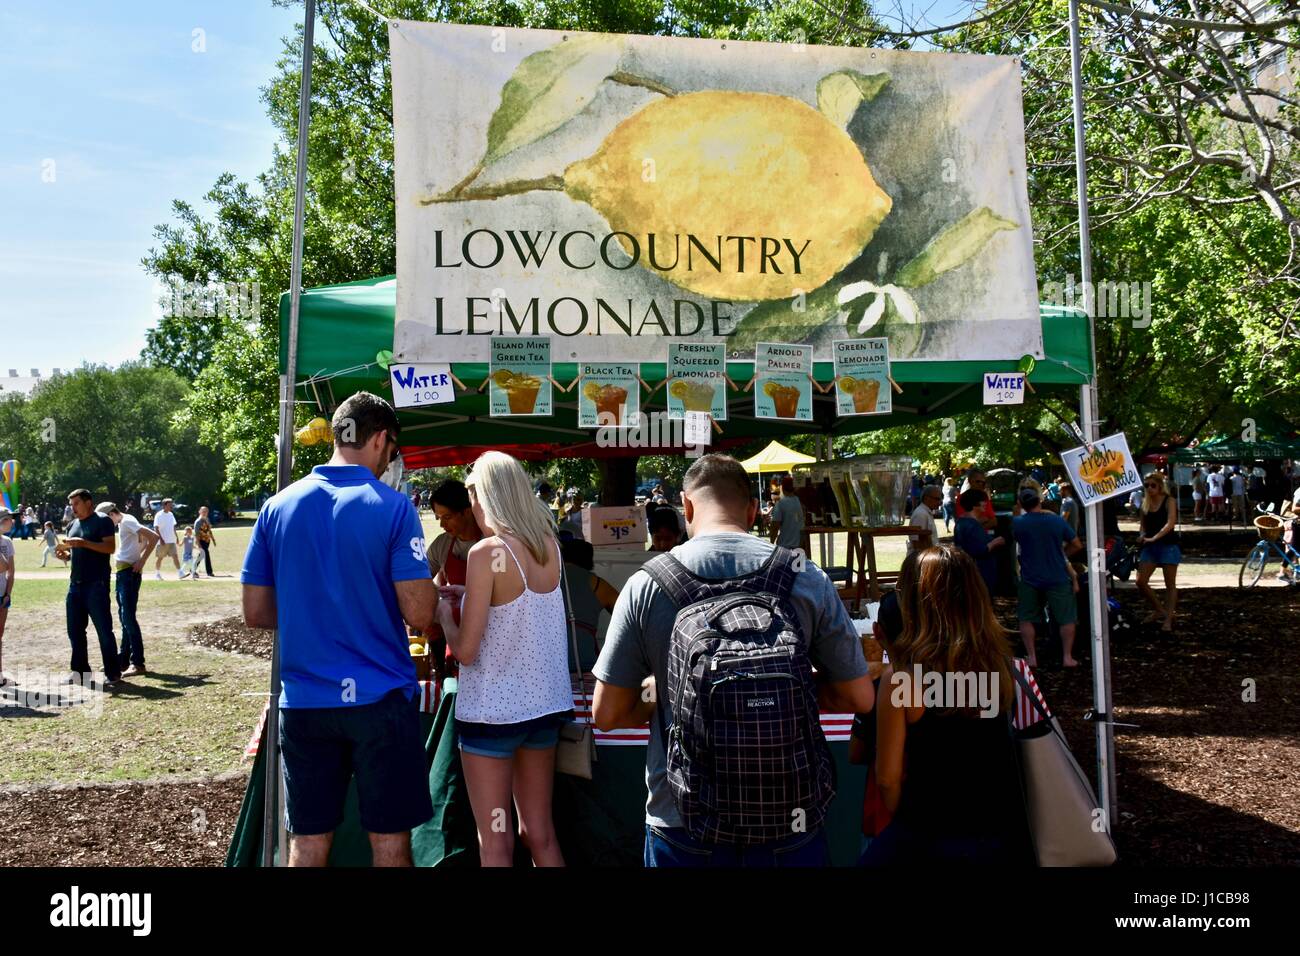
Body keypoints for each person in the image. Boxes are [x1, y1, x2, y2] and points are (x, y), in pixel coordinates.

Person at [592, 452, 874, 867]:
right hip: (789, 818)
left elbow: (608, 713)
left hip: (684, 820)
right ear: (754, 509)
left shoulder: (646, 585)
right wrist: (783, 689)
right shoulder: (804, 575)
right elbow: (860, 698)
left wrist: (660, 693)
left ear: (686, 507)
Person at [240, 391, 436, 867]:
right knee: (389, 843)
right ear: (382, 440)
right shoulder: (393, 507)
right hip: (380, 700)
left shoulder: (276, 506)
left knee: (307, 844)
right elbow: (420, 614)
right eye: (393, 451)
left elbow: (257, 612)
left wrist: (314, 614)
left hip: (306, 700)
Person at [436, 451, 572, 867]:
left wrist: (444, 614)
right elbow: (517, 608)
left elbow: (466, 650)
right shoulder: (548, 546)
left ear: (487, 495)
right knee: (540, 833)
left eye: (473, 494)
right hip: (543, 710)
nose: (472, 505)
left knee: (496, 840)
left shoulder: (486, 552)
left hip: (493, 717)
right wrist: (469, 597)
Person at [862, 546, 1029, 866]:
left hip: (927, 832)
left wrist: (915, 831)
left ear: (915, 603)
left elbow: (887, 779)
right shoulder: (1003, 667)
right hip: (998, 832)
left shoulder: (901, 681)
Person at [55, 490, 121, 686]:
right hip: (75, 585)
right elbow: (76, 552)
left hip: (96, 585)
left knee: (103, 630)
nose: (73, 508)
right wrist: (65, 556)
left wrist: (83, 543)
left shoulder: (102, 521)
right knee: (74, 631)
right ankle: (80, 672)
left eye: (76, 503)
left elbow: (109, 548)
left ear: (88, 502)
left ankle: (113, 673)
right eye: (71, 504)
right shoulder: (72, 525)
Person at [1012, 488, 1083, 668]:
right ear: (1039, 501)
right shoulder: (1056, 521)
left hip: (1029, 577)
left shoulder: (1018, 523)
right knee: (1066, 618)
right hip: (1057, 576)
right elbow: (1077, 545)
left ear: (1021, 503)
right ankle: (1067, 657)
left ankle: (1032, 656)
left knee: (1026, 618)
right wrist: (1061, 555)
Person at [423, 479, 485, 679]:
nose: (442, 524)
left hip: (489, 640)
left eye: (447, 517)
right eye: (438, 517)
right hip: (454, 637)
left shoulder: (489, 544)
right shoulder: (442, 545)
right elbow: (420, 579)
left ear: (466, 511)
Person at [97, 502, 160, 678]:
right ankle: (123, 660)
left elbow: (153, 537)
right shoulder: (127, 521)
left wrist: (141, 560)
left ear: (111, 514)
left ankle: (138, 662)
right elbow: (144, 539)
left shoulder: (126, 522)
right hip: (124, 572)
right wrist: (138, 554)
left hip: (128, 574)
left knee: (128, 618)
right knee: (124, 617)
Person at [560, 538, 620, 672]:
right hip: (585, 666)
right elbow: (628, 616)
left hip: (549, 665)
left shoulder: (546, 581)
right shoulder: (598, 585)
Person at [1135, 471, 1179, 633]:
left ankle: (1168, 618)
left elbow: (1171, 523)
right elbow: (1142, 525)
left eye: (1153, 485)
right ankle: (1159, 609)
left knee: (1170, 584)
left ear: (1160, 486)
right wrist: (1141, 536)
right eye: (1146, 486)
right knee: (1140, 581)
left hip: (1168, 545)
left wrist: (1155, 537)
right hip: (1149, 546)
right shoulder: (1145, 503)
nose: (1150, 488)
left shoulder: (1169, 501)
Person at [953, 489, 1005, 594]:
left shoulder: (962, 522)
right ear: (974, 504)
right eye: (983, 501)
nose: (986, 503)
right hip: (980, 574)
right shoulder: (972, 525)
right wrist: (996, 542)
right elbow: (979, 550)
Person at [768, 475, 805, 550]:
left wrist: (771, 543)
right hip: (799, 546)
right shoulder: (799, 502)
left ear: (782, 487)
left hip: (785, 546)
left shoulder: (781, 503)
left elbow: (775, 526)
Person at [152, 498, 182, 580]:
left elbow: (173, 527)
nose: (171, 506)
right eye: (170, 504)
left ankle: (180, 573)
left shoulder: (171, 514)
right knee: (160, 558)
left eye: (171, 504)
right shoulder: (158, 515)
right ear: (164, 505)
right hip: (162, 541)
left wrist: (176, 537)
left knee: (175, 556)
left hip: (171, 540)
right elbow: (156, 528)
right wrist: (161, 539)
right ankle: (157, 574)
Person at [0, 508, 13, 688]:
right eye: (9, 519)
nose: (12, 522)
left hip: (2, 593)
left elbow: (10, 570)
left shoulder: (8, 542)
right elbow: (2, 566)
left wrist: (7, 593)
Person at [907, 484, 941, 552]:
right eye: (937, 499)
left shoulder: (925, 512)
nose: (940, 502)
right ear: (927, 498)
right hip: (921, 558)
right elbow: (916, 543)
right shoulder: (921, 514)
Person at [193, 506, 216, 578]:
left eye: (206, 511)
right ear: (199, 512)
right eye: (203, 511)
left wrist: (213, 540)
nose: (205, 513)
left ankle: (192, 569)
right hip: (201, 541)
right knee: (206, 554)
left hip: (207, 541)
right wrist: (198, 544)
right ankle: (209, 572)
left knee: (201, 555)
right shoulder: (198, 521)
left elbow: (209, 530)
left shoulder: (207, 520)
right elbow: (196, 534)